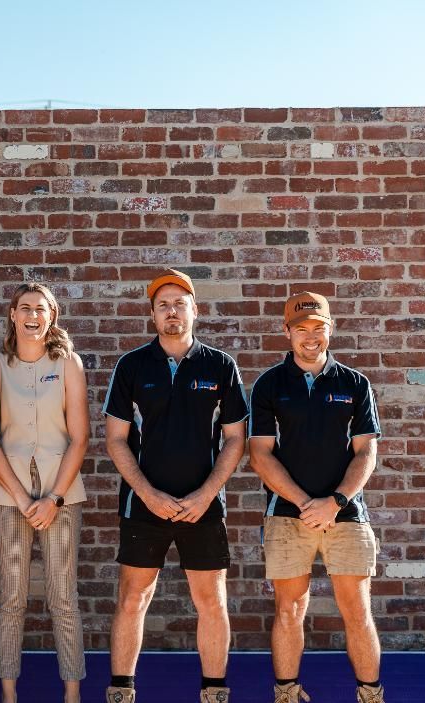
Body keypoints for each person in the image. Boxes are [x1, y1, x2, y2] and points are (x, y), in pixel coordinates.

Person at [102, 269, 248, 703]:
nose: (171, 311)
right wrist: (149, 494)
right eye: (163, 305)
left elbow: (236, 439)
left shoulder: (220, 366)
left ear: (195, 310)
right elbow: (114, 438)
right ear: (152, 314)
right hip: (144, 505)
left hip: (203, 506)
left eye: (179, 303)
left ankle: (214, 693)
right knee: (133, 598)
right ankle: (122, 692)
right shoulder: (132, 366)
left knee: (211, 601)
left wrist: (205, 495)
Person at [249, 292, 384, 703]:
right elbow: (260, 454)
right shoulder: (269, 385)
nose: (311, 337)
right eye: (302, 329)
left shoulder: (354, 384)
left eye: (318, 328)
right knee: (289, 609)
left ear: (331, 329)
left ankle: (370, 694)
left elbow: (366, 452)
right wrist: (308, 504)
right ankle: (287, 693)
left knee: (357, 611)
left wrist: (336, 502)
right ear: (287, 331)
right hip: (288, 516)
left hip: (347, 514)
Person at [0, 283, 89, 703]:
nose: (32, 315)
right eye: (25, 308)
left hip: (62, 495)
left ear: (52, 316)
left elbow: (80, 438)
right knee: (11, 596)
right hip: (10, 498)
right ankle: (8, 692)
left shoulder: (68, 365)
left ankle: (72, 692)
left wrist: (54, 498)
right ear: (12, 314)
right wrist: (25, 500)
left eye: (41, 309)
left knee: (63, 596)